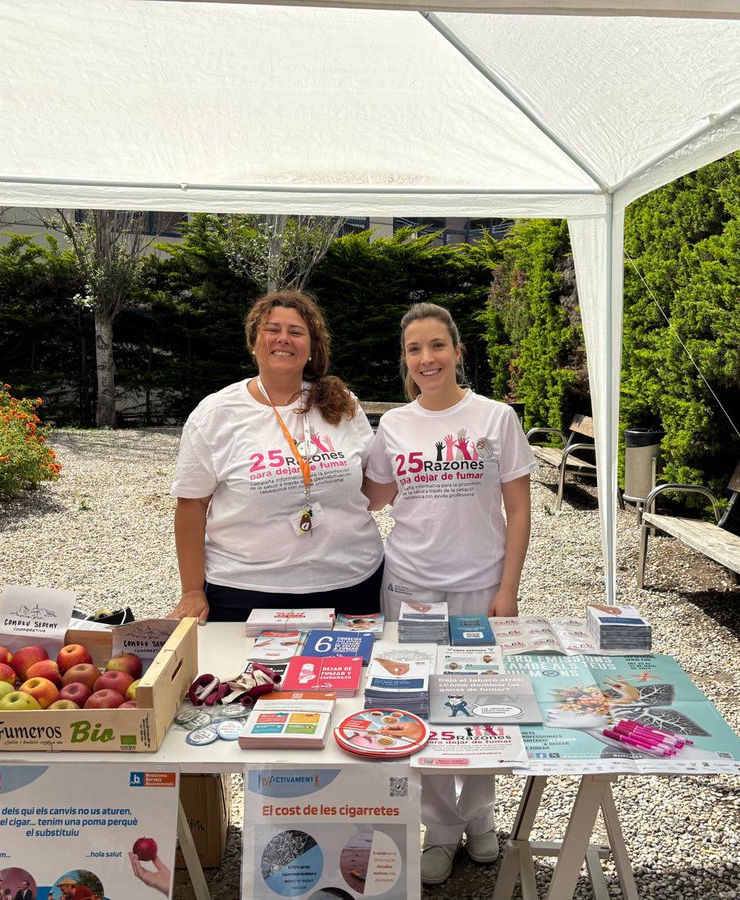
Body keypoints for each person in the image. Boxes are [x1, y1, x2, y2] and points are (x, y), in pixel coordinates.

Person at [364, 302, 535, 886]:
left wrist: (507, 587)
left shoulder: (495, 418)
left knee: (483, 705)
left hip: (480, 585)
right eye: (414, 349)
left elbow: (518, 508)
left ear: (458, 351)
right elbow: (374, 496)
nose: (426, 358)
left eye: (437, 345)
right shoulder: (392, 425)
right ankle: (438, 829)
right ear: (405, 360)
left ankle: (481, 820)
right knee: (423, 705)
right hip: (410, 585)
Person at [169, 290, 384, 623]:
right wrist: (193, 592)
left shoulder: (341, 403)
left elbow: (373, 484)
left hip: (351, 584)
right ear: (254, 341)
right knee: (246, 678)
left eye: (296, 332)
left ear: (312, 348)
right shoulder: (216, 413)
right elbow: (191, 504)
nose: (283, 338)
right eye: (272, 329)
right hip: (246, 592)